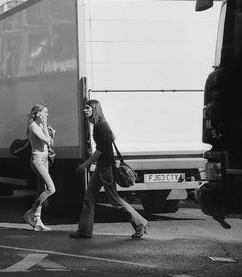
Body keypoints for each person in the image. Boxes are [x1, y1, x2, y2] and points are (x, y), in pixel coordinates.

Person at [69, 99, 148, 239]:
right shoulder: (100, 124)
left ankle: (140, 223)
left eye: (88, 108)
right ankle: (85, 231)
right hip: (102, 166)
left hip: (105, 168)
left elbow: (100, 150)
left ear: (95, 109)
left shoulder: (101, 126)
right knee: (89, 197)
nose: (84, 110)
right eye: (84, 108)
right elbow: (111, 139)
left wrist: (85, 164)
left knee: (115, 200)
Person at [23, 103, 56, 231]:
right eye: (45, 112)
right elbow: (47, 141)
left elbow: (51, 143)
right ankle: (30, 213)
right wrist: (47, 131)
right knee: (51, 189)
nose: (47, 115)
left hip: (44, 159)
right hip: (37, 161)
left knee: (41, 189)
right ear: (37, 114)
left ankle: (37, 220)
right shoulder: (33, 126)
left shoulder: (41, 125)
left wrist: (49, 133)